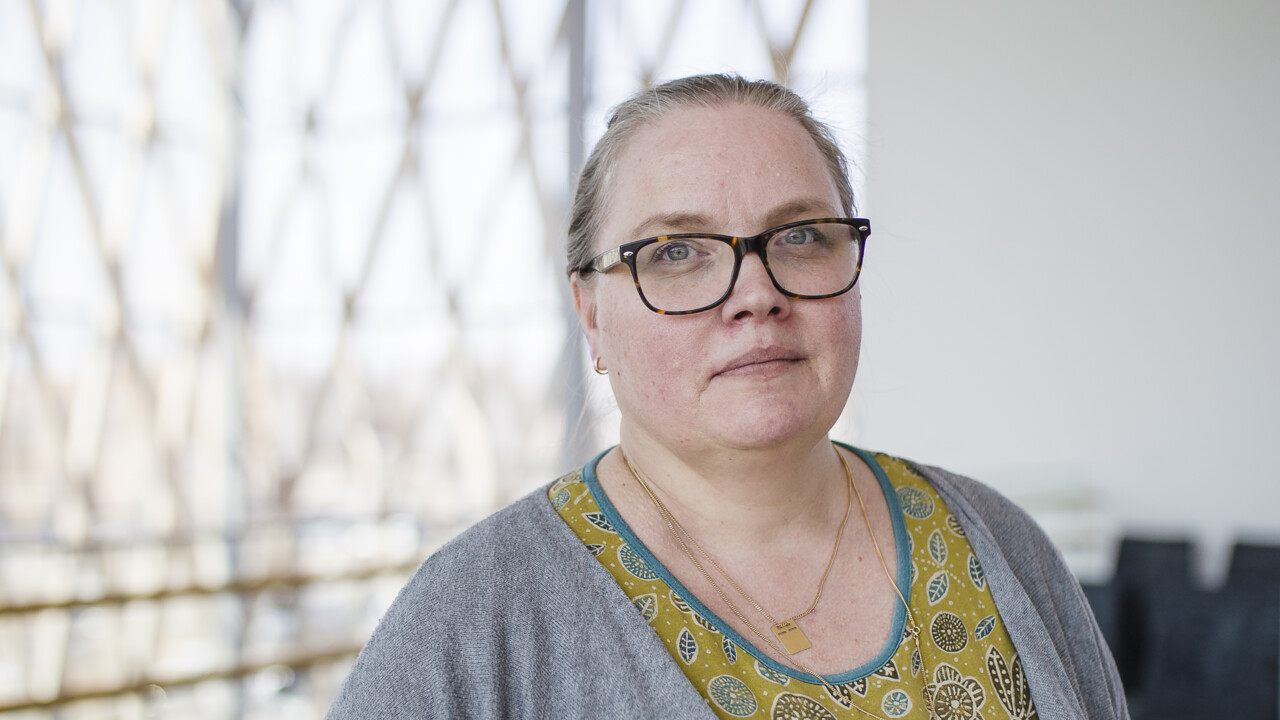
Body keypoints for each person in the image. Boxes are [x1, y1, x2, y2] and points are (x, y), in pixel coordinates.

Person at [326, 74, 1128, 720]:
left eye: (801, 237)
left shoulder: (999, 543)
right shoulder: (472, 620)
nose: (756, 295)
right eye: (677, 251)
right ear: (592, 315)